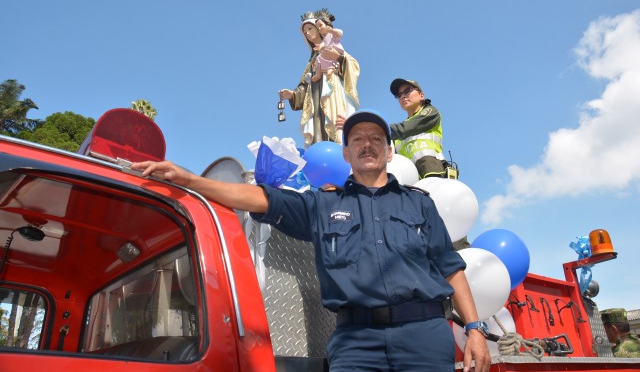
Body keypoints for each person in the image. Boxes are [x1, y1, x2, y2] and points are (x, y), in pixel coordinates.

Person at [131, 110, 490, 372]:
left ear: (389, 152)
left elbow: (450, 268)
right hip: (355, 344)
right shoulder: (321, 204)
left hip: (423, 338)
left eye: (376, 138)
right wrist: (192, 180)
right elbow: (260, 198)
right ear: (346, 153)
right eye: (357, 139)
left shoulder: (419, 203)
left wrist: (474, 329)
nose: (368, 144)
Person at [389, 78, 471, 251]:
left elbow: (406, 128)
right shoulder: (396, 137)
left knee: (449, 225)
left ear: (421, 94)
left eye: (407, 91)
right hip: (412, 188)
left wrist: (376, 128)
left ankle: (464, 267)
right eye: (398, 95)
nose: (403, 97)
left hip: (433, 174)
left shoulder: (430, 113)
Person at [279, 9, 360, 148]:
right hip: (314, 97)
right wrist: (293, 95)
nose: (308, 33)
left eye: (310, 28)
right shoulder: (312, 61)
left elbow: (353, 65)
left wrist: (339, 58)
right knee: (317, 127)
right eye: (305, 32)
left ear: (318, 28)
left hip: (331, 92)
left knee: (333, 123)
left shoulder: (331, 46)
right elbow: (305, 84)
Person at [312, 16, 344, 82]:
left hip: (334, 50)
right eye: (318, 28)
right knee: (318, 58)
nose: (319, 28)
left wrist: (332, 31)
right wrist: (319, 46)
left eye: (320, 25)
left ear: (327, 24)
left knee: (334, 61)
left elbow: (339, 33)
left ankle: (333, 69)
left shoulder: (331, 34)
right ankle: (319, 74)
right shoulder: (325, 38)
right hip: (327, 52)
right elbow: (323, 43)